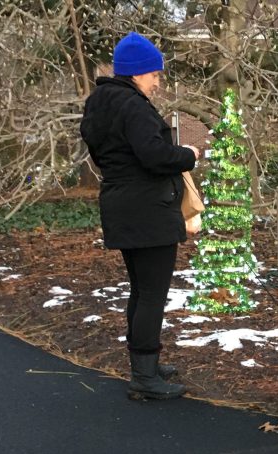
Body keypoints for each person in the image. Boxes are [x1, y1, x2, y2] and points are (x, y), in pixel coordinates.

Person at [80, 31, 200, 400]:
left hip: (121, 205)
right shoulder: (132, 105)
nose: (157, 81)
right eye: (154, 74)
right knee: (152, 294)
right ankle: (144, 378)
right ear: (136, 73)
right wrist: (188, 154)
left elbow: (107, 155)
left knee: (141, 290)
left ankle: (144, 364)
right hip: (148, 212)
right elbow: (154, 155)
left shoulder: (101, 102)